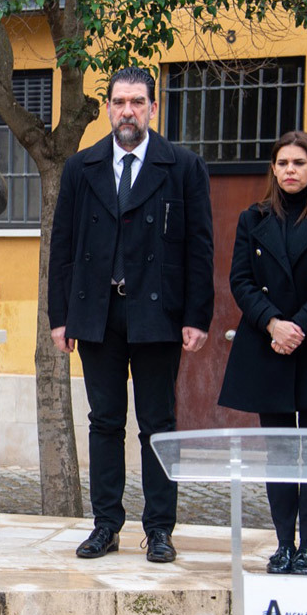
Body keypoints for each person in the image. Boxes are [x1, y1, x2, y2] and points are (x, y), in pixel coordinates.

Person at [47, 66, 215, 563]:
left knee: (158, 423)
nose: (127, 111)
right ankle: (106, 525)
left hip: (157, 315)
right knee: (104, 422)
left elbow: (201, 247)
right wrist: (60, 316)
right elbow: (63, 246)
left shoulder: (182, 166)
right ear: (108, 109)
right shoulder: (82, 167)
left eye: (137, 102)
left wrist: (197, 316)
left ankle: (160, 528)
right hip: (96, 313)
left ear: (153, 108)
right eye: (119, 102)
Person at [217, 131, 307, 575]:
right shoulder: (253, 217)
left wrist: (298, 324)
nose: (289, 171)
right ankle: (284, 543)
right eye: (282, 163)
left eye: (298, 163)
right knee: (280, 451)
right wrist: (273, 324)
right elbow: (240, 280)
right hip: (269, 346)